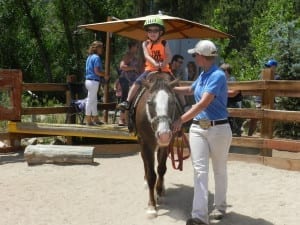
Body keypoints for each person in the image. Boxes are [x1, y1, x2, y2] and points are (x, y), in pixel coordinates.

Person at [172, 40, 232, 225]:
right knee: (199, 171)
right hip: (199, 128)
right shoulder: (204, 74)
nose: (194, 57)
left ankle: (220, 206)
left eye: (195, 55)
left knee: (219, 169)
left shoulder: (218, 75)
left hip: (219, 128)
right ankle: (199, 216)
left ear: (202, 56)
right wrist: (167, 87)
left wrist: (180, 120)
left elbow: (203, 103)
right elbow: (190, 89)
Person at [117, 15, 172, 110]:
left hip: (164, 69)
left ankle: (183, 106)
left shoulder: (164, 43)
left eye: (155, 30)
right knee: (137, 82)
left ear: (161, 32)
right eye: (149, 30)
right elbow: (147, 56)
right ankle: (127, 101)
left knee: (175, 84)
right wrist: (155, 63)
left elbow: (169, 55)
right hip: (150, 69)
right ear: (147, 32)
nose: (152, 33)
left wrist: (164, 62)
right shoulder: (145, 43)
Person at [248, 59, 279, 136]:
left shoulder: (277, 77)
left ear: (274, 67)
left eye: (269, 66)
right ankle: (249, 136)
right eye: (267, 66)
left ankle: (267, 137)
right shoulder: (261, 75)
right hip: (259, 100)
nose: (267, 68)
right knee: (254, 118)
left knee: (269, 121)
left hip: (270, 101)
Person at [84, 41, 109, 126]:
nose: (102, 49)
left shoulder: (89, 57)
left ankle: (95, 118)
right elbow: (97, 71)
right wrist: (105, 74)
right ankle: (88, 120)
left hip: (88, 81)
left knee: (93, 100)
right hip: (93, 81)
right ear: (97, 48)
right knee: (90, 100)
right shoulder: (96, 57)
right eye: (101, 47)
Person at [117, 40, 142, 125]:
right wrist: (133, 68)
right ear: (132, 46)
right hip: (125, 79)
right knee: (125, 98)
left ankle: (127, 119)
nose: (138, 48)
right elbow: (122, 67)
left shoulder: (135, 56)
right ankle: (121, 118)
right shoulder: (128, 55)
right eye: (137, 46)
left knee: (131, 98)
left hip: (132, 80)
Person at [220, 63, 243, 136]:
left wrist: (219, 92)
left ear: (226, 71)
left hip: (234, 104)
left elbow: (233, 93)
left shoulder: (232, 79)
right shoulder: (222, 81)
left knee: (233, 122)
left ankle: (236, 131)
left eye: (222, 71)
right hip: (226, 104)